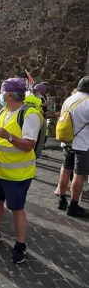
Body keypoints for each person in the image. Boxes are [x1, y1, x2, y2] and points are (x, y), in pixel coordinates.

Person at [0, 77, 43, 264]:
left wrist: (9, 136)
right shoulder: (2, 112)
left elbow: (28, 145)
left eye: (2, 91)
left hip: (17, 174)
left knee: (16, 209)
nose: (0, 94)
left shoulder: (29, 114)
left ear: (9, 95)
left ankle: (20, 245)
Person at [56, 76, 89, 217]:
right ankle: (73, 206)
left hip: (67, 141)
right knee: (79, 174)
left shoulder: (68, 100)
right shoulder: (87, 102)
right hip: (83, 143)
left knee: (65, 170)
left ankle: (62, 199)